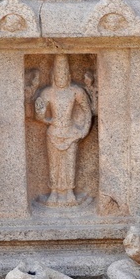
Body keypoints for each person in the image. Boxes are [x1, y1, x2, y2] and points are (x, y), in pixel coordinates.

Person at [34, 55, 94, 207]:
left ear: (68, 75)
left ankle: (69, 193)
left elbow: (87, 111)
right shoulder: (47, 92)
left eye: (64, 73)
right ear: (53, 75)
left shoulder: (75, 91)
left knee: (69, 163)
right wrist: (43, 115)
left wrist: (84, 130)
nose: (61, 76)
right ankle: (54, 192)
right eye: (58, 73)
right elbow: (39, 116)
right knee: (54, 164)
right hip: (54, 132)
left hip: (70, 132)